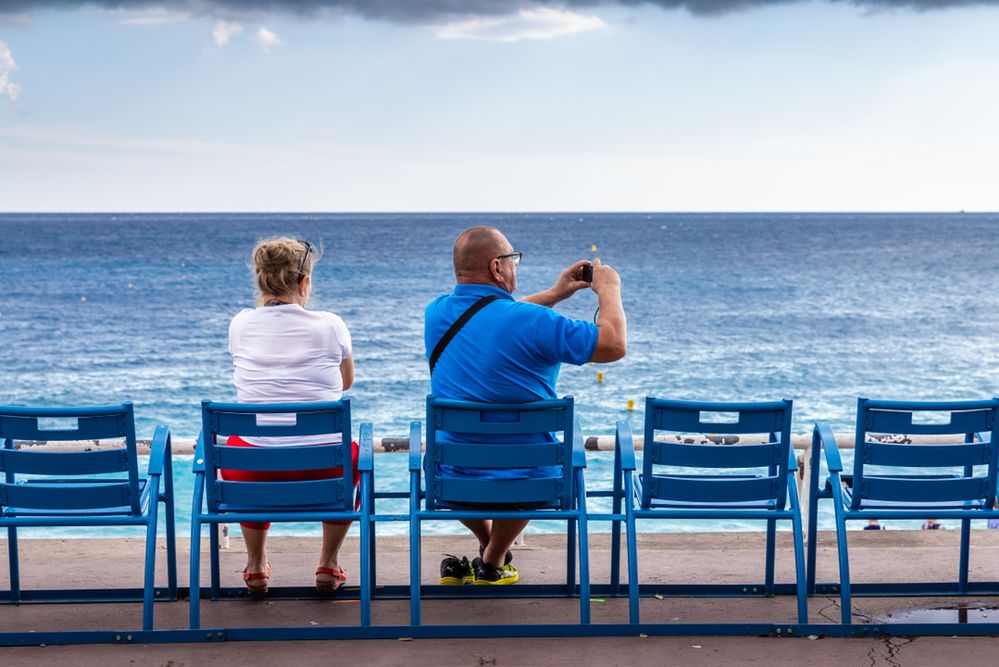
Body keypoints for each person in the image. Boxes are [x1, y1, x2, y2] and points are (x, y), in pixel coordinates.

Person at [424, 226, 627, 585]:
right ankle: (494, 557)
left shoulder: (436, 313)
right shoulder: (535, 323)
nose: (515, 267)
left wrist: (555, 293)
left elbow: (494, 319)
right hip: (530, 478)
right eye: (512, 259)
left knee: (455, 457)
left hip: (452, 476)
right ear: (497, 268)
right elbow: (613, 345)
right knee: (533, 460)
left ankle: (491, 555)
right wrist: (609, 290)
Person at [225, 237, 357, 596]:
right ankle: (328, 563)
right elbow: (345, 383)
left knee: (243, 446)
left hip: (253, 470)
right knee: (351, 452)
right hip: (324, 469)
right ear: (304, 283)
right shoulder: (331, 324)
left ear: (260, 281)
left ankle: (255, 565)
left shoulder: (239, 324)